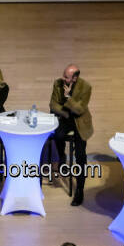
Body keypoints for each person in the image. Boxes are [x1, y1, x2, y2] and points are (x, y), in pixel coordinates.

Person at [49, 64, 93, 205]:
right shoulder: (58, 83)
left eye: (66, 77)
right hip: (65, 117)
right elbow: (53, 105)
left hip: (80, 121)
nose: (63, 78)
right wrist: (66, 113)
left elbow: (80, 110)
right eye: (63, 75)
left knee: (80, 154)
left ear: (75, 78)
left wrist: (68, 97)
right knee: (58, 135)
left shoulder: (86, 87)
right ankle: (62, 157)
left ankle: (80, 189)